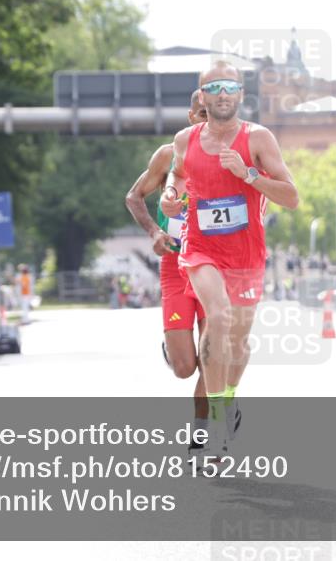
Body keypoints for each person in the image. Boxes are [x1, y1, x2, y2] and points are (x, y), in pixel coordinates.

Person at [161, 61, 299, 459]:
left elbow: (291, 197)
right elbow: (178, 175)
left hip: (246, 254)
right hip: (201, 248)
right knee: (217, 316)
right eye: (214, 87)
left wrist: (249, 175)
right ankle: (217, 423)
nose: (223, 94)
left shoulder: (258, 139)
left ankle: (229, 399)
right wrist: (172, 195)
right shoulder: (185, 140)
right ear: (202, 96)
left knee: (237, 343)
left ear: (240, 95)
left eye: (230, 87)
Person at [125, 90, 210, 455]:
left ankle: (203, 432)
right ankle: (173, 350)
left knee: (214, 356)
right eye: (203, 113)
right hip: (175, 265)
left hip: (216, 266)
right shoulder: (169, 155)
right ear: (192, 116)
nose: (211, 121)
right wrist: (155, 232)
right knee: (184, 368)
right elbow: (134, 196)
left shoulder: (234, 157)